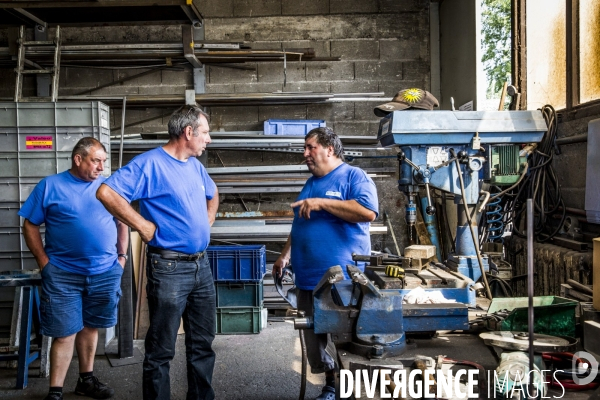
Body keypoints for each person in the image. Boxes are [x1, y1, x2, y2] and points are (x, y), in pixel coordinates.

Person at [96, 104, 219, 400]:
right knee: (161, 350)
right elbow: (106, 192)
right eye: (205, 132)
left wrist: (206, 221)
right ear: (188, 132)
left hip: (201, 268)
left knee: (202, 345)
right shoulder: (150, 164)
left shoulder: (195, 166)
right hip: (170, 269)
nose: (209, 139)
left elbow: (213, 194)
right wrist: (142, 225)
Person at [272, 127, 379, 400]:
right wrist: (285, 254)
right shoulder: (311, 183)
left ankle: (346, 390)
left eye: (310, 147)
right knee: (315, 336)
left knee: (341, 336)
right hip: (308, 277)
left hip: (339, 278)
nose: (305, 153)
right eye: (305, 148)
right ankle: (332, 384)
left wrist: (322, 202)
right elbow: (300, 224)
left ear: (329, 149)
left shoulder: (354, 177)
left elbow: (367, 212)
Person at [19, 137, 128, 400]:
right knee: (65, 332)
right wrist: (44, 263)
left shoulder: (109, 186)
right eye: (96, 160)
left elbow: (123, 221)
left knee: (91, 327)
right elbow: (29, 225)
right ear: (78, 159)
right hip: (62, 274)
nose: (101, 167)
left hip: (104, 272)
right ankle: (55, 391)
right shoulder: (50, 186)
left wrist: (121, 257)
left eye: (104, 161)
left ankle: (86, 380)